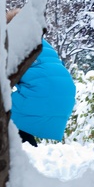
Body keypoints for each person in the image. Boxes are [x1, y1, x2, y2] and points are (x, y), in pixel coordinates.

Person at [7, 9, 76, 147]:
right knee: (20, 119)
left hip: (42, 93)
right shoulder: (43, 44)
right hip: (66, 95)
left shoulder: (15, 44)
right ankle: (26, 146)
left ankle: (20, 149)